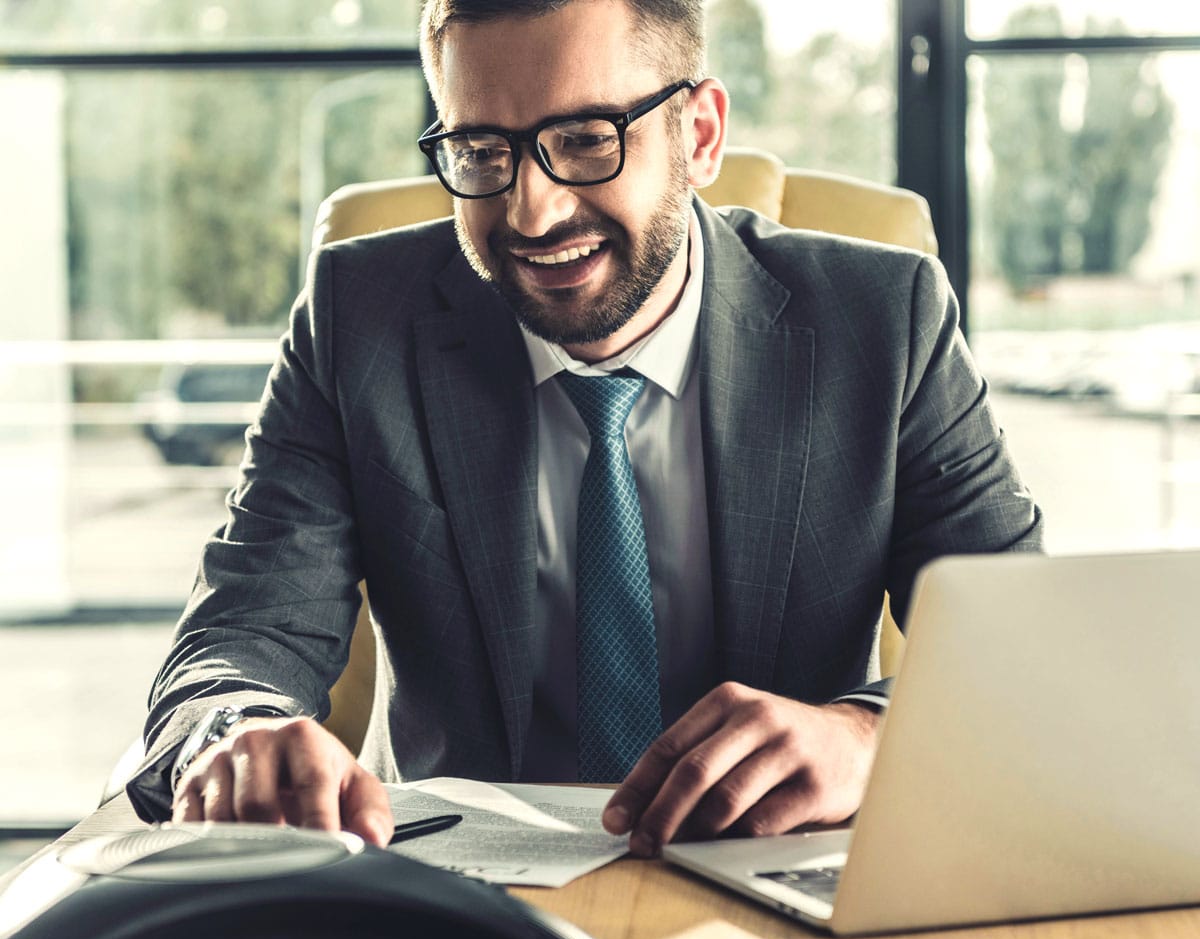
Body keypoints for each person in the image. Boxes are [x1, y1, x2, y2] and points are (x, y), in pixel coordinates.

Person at [128, 0, 1042, 857]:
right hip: (464, 895)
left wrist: (867, 737)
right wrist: (234, 736)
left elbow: (1029, 651)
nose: (533, 210)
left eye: (584, 139)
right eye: (483, 150)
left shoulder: (884, 320)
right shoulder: (357, 318)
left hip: (782, 885)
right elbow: (239, 634)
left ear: (701, 133)